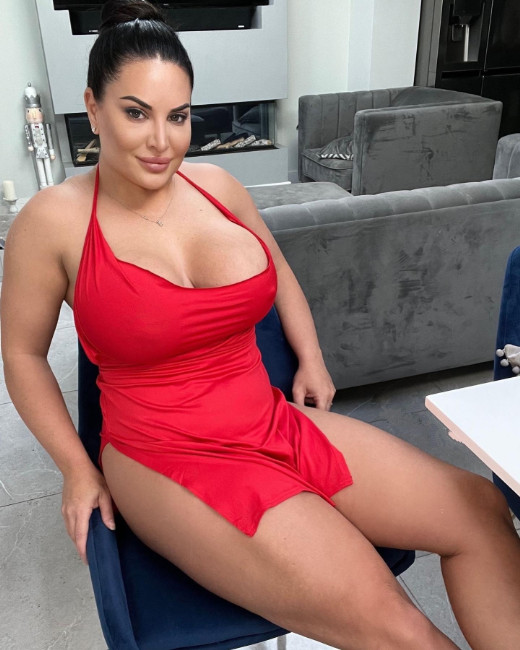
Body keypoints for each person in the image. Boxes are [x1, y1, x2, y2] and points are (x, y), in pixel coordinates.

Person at [2, 1, 520, 648]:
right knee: (397, 627)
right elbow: (22, 355)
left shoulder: (218, 186)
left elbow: (279, 273)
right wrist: (76, 469)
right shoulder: (51, 222)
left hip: (268, 420)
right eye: (136, 113)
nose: (161, 141)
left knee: (480, 507)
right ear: (93, 107)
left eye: (178, 116)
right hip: (164, 455)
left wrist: (312, 357)